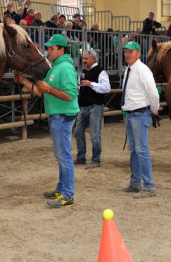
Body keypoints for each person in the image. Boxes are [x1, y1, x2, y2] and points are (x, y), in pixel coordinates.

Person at [14, 34, 79, 208]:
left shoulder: (65, 68)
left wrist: (49, 89)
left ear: (61, 49)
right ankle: (62, 189)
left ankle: (67, 195)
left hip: (63, 115)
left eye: (51, 48)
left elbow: (71, 94)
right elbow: (39, 91)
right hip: (58, 114)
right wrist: (23, 81)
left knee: (63, 155)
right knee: (61, 154)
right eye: (48, 48)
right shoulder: (55, 67)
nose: (48, 51)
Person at [120, 41, 160, 198]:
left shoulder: (142, 70)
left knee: (141, 150)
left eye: (131, 51)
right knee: (134, 150)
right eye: (126, 51)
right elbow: (129, 93)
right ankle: (136, 182)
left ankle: (149, 186)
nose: (127, 54)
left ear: (138, 53)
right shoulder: (129, 70)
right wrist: (125, 113)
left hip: (139, 113)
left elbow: (153, 93)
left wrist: (154, 109)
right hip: (131, 114)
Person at [74, 49, 111, 169]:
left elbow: (106, 88)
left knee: (94, 134)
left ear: (93, 59)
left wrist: (91, 84)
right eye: (83, 58)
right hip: (84, 106)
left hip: (95, 106)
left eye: (86, 59)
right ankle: (81, 158)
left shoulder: (101, 72)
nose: (83, 61)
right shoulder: (83, 72)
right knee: (78, 131)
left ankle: (96, 159)